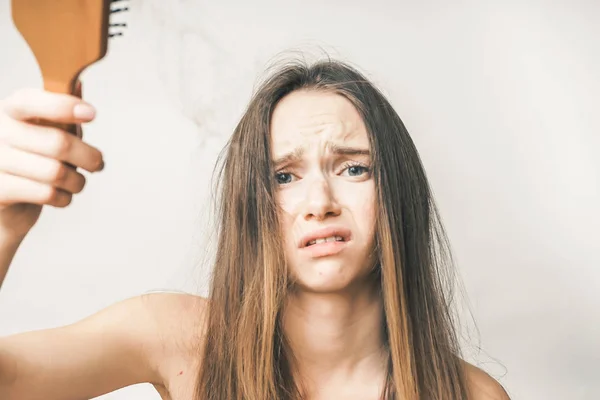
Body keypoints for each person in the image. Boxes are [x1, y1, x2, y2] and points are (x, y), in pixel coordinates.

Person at [0, 59, 510, 399]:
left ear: (397, 191)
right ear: (251, 207)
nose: (320, 203)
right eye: (284, 176)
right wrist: (3, 229)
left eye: (353, 168)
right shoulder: (176, 336)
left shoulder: (474, 393)